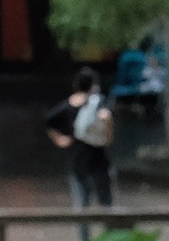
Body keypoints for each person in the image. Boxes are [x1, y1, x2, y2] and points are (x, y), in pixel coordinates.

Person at [46, 64, 118, 219]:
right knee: (107, 206)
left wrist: (59, 139)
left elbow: (49, 121)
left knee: (82, 208)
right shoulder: (99, 102)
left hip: (77, 160)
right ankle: (111, 240)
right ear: (94, 85)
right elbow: (108, 125)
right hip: (99, 160)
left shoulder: (68, 105)